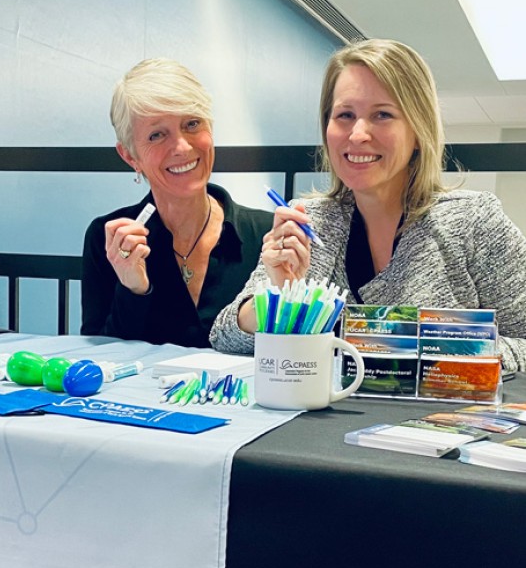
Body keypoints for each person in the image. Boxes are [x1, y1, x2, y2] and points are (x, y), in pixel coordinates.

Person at [210, 39, 526, 372]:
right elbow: (226, 336)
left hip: (434, 422)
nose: (358, 134)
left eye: (382, 115)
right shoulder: (308, 221)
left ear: (419, 131)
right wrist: (277, 295)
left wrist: (433, 346)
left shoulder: (472, 221)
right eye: (345, 115)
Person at [81, 58, 272, 348]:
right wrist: (133, 287)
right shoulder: (107, 239)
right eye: (157, 135)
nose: (182, 147)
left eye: (192, 124)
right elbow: (101, 361)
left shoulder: (265, 235)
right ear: (130, 156)